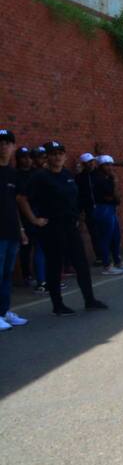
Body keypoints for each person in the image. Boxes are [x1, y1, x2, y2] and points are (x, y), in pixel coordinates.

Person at [16, 141, 107, 315]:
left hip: (70, 226)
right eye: (53, 153)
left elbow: (73, 198)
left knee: (81, 264)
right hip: (52, 228)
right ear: (47, 157)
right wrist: (34, 220)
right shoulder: (40, 177)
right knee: (54, 265)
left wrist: (78, 218)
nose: (57, 157)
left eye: (60, 153)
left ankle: (90, 300)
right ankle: (57, 305)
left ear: (64, 156)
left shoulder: (67, 174)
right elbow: (21, 198)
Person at [0, 130, 30, 329]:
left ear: (13, 147)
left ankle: (3, 311)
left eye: (7, 143)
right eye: (0, 143)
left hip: (11, 231)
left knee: (7, 274)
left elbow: (16, 204)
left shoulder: (13, 174)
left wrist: (21, 229)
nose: (3, 146)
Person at [92, 156, 123, 275]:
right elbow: (112, 196)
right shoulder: (99, 179)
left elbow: (117, 198)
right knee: (106, 237)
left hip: (111, 208)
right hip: (102, 208)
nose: (110, 167)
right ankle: (107, 264)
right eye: (106, 165)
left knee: (116, 236)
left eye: (111, 164)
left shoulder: (108, 178)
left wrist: (114, 187)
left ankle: (117, 261)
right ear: (100, 166)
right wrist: (115, 182)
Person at [13, 146, 43, 291]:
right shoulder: (15, 175)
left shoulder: (35, 174)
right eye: (24, 157)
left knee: (40, 247)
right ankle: (27, 275)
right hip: (23, 217)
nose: (27, 160)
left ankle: (41, 277)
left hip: (38, 213)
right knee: (26, 248)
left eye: (29, 157)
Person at [75, 151, 102, 263]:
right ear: (84, 164)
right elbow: (78, 195)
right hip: (89, 208)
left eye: (92, 161)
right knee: (94, 233)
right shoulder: (80, 178)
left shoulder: (99, 174)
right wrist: (79, 210)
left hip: (101, 207)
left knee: (104, 231)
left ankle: (107, 253)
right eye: (88, 162)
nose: (91, 164)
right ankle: (100, 256)